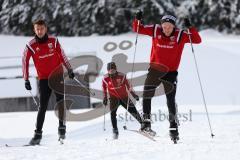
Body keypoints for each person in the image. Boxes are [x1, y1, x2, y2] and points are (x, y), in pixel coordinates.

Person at [132, 10, 202, 141]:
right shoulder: (155, 30)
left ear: (174, 26)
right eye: (164, 27)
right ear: (161, 25)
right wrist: (137, 19)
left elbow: (197, 40)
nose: (167, 29)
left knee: (170, 100)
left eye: (169, 27)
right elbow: (137, 28)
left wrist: (190, 27)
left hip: (170, 73)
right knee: (147, 94)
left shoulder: (180, 35)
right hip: (155, 70)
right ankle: (146, 124)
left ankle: (173, 128)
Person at [22, 19, 75, 145]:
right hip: (44, 79)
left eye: (41, 28)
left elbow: (63, 55)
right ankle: (37, 135)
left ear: (46, 29)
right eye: (37, 29)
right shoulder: (31, 45)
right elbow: (25, 61)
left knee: (61, 102)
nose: (39, 31)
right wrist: (26, 79)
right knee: (43, 107)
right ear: (34, 30)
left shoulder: (54, 41)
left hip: (57, 76)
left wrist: (70, 69)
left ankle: (62, 130)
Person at [102, 62, 142, 139]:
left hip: (124, 97)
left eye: (113, 70)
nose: (111, 72)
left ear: (115, 69)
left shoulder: (122, 76)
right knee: (112, 114)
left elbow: (129, 86)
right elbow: (104, 89)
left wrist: (134, 95)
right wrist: (105, 98)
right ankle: (115, 131)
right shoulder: (105, 78)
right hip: (113, 98)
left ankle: (144, 125)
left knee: (133, 111)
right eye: (110, 70)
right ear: (108, 70)